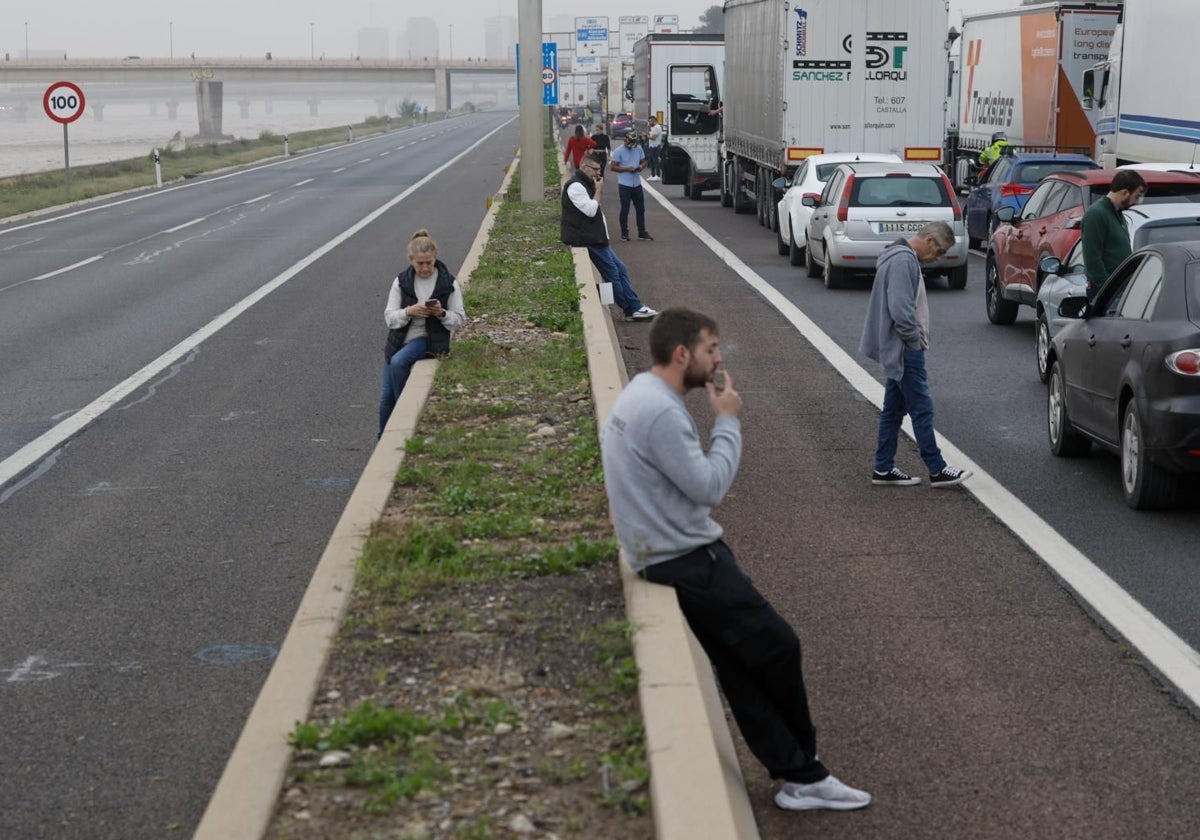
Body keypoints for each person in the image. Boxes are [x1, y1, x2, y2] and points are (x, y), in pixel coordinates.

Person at [600, 308, 872, 813]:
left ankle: (799, 773)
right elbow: (708, 489)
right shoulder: (660, 411)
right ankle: (803, 768)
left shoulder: (642, 392)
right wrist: (727, 423)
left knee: (740, 666)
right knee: (778, 647)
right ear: (682, 355)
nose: (719, 358)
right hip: (684, 557)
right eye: (711, 349)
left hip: (657, 551)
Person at [859, 222, 972, 488]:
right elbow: (901, 310)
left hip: (897, 346)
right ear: (930, 240)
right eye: (940, 251)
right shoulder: (903, 262)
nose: (938, 258)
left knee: (893, 410)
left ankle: (883, 468)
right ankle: (937, 469)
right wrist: (913, 342)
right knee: (922, 408)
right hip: (904, 348)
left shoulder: (897, 255)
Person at [378, 229, 466, 437]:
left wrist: (441, 313)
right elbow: (390, 317)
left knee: (399, 363)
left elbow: (460, 320)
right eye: (420, 263)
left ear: (435, 258)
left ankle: (405, 414)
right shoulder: (401, 281)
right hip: (399, 338)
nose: (425, 268)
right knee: (385, 397)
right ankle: (383, 437)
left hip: (428, 337)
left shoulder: (448, 283)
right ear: (411, 260)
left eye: (429, 262)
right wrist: (410, 311)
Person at [560, 152, 658, 321]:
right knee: (612, 274)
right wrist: (598, 190)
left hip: (597, 238)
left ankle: (634, 306)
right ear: (584, 167)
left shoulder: (585, 183)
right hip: (587, 239)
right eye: (596, 169)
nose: (599, 173)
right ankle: (631, 308)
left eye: (600, 169)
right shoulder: (575, 186)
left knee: (620, 269)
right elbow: (591, 211)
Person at [1081, 169, 1146, 301]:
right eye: (1137, 196)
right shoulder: (1096, 214)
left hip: (1120, 290)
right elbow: (1092, 260)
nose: (1137, 202)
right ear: (1125, 193)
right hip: (1106, 293)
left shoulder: (1118, 214)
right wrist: (1108, 288)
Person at [609, 131, 653, 242]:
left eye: (633, 143)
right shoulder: (619, 151)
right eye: (630, 143)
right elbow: (613, 167)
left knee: (640, 209)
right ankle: (624, 233)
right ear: (626, 140)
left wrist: (641, 166)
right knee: (625, 209)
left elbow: (644, 161)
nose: (631, 145)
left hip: (637, 183)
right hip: (625, 184)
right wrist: (626, 169)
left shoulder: (638, 149)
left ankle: (641, 232)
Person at [646, 116, 664, 181]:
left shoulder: (657, 127)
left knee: (655, 161)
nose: (649, 122)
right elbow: (649, 134)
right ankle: (652, 174)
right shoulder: (653, 128)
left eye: (650, 121)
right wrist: (648, 129)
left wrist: (646, 136)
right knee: (651, 161)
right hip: (651, 146)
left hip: (655, 146)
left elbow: (653, 138)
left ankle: (658, 175)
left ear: (654, 120)